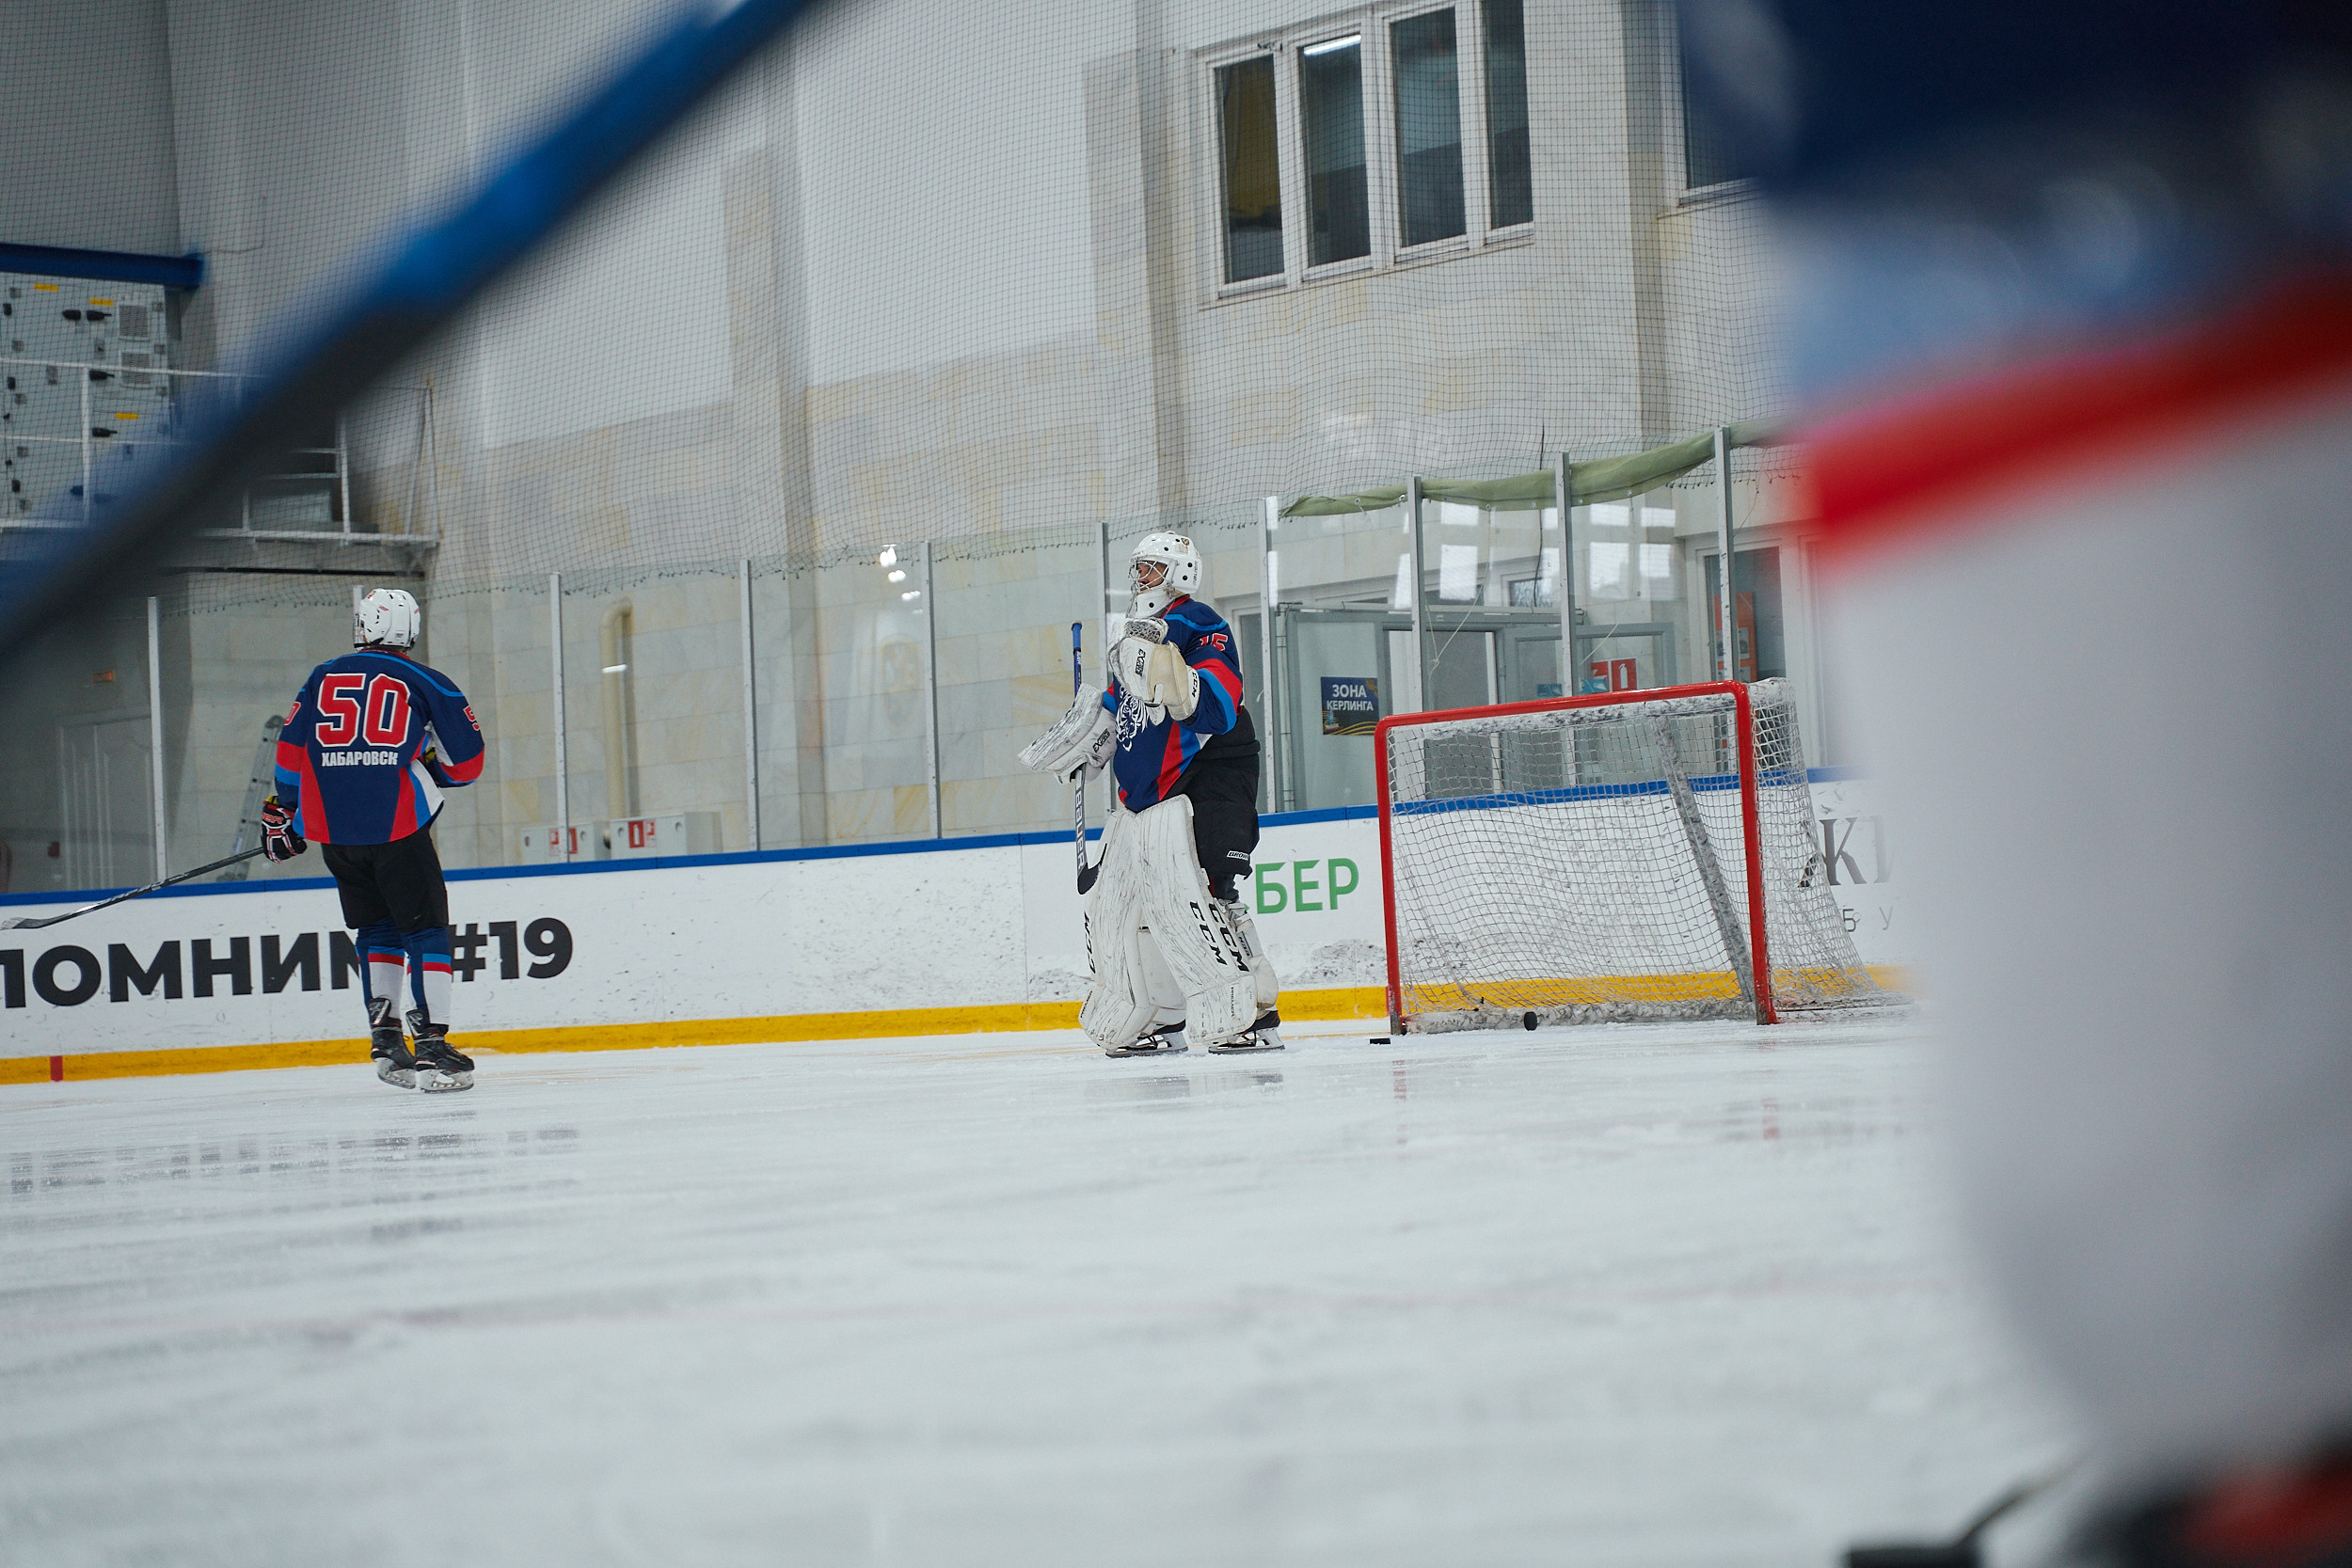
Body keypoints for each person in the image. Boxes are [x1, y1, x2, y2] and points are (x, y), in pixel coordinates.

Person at [1021, 531, 1280, 1055]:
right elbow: (1122, 713)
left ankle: (1255, 1015)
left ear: (1182, 573)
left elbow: (1220, 702)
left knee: (1207, 893)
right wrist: (1091, 741)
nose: (1142, 579)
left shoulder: (1198, 621)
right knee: (1136, 908)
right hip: (1145, 795)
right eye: (1139, 569)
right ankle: (1160, 1017)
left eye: (1154, 570)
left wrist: (1179, 681)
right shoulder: (1130, 641)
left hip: (1207, 776)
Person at [262, 587, 486, 1091]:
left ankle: (386, 1038)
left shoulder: (320, 677)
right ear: (412, 630)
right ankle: (430, 1046)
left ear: (363, 627)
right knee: (425, 931)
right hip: (398, 827)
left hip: (335, 835)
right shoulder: (428, 681)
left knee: (377, 930)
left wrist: (285, 815)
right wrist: (428, 766)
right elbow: (467, 763)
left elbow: (289, 754)